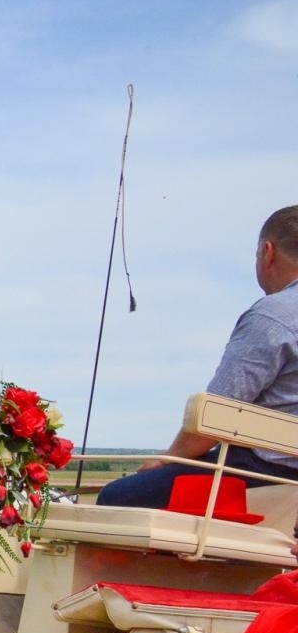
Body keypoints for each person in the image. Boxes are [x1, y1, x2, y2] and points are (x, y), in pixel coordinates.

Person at [99, 206, 298, 508]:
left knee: (117, 497)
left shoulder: (273, 315)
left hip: (267, 474)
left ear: (268, 253)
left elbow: (216, 417)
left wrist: (168, 460)